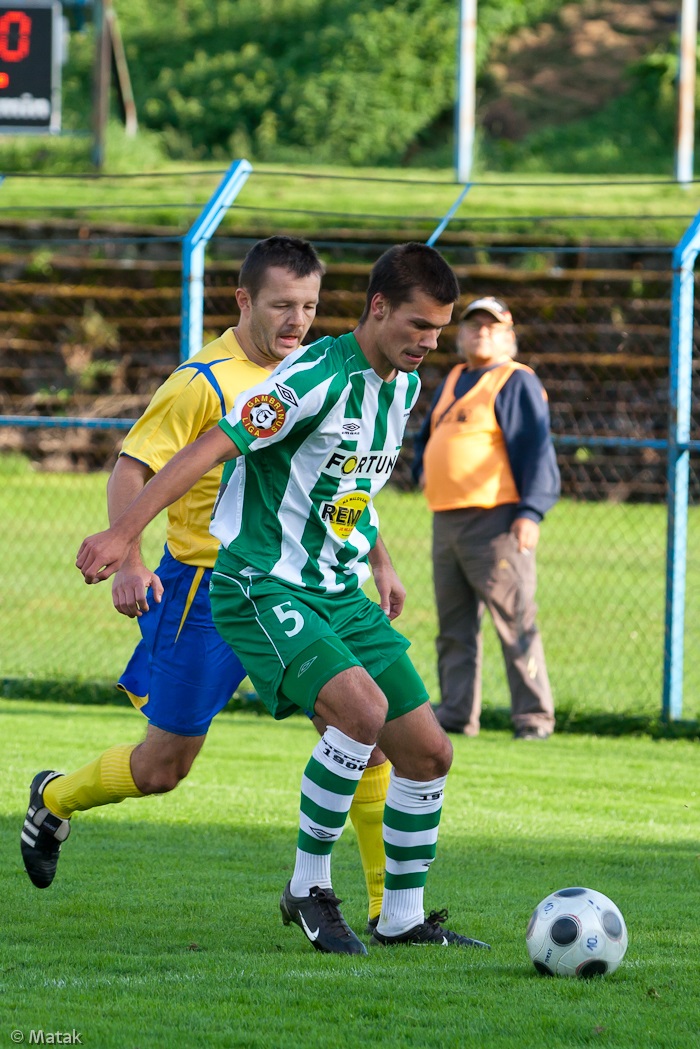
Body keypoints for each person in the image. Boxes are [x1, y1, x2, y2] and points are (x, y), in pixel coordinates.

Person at [74, 243, 492, 956]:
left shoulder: (401, 386)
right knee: (357, 714)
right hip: (261, 584)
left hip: (339, 591)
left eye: (439, 328)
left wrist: (380, 560)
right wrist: (124, 532)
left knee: (428, 753)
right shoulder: (310, 379)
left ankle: (400, 916)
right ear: (378, 307)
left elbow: (345, 485)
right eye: (417, 324)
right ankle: (307, 887)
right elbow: (209, 446)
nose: (428, 341)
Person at [21, 237, 394, 931]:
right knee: (164, 767)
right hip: (207, 587)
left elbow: (341, 477)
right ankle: (56, 798)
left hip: (296, 585)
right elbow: (131, 467)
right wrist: (130, 557)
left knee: (361, 728)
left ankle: (385, 911)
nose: (298, 321)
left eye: (310, 306)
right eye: (282, 305)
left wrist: (381, 556)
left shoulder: (318, 368)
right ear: (244, 300)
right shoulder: (205, 381)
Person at [413, 295, 560, 740]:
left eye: (492, 327)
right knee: (454, 627)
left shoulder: (515, 381)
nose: (481, 332)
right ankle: (457, 713)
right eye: (474, 325)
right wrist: (425, 470)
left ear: (508, 337)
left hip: (497, 522)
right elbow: (429, 435)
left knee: (514, 621)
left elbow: (536, 451)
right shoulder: (456, 376)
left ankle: (533, 717)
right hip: (448, 520)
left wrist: (530, 512)